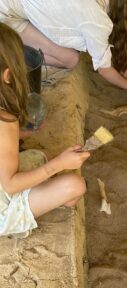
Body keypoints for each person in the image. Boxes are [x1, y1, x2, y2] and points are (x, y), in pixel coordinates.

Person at [0, 23, 89, 238]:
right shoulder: (4, 121)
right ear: (8, 75)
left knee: (37, 157)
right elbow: (10, 185)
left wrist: (19, 136)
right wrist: (58, 164)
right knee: (75, 187)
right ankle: (14, 221)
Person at [0, 0, 127, 97]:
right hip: (6, 14)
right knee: (70, 59)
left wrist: (122, 70)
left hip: (24, 5)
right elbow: (104, 69)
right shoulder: (97, 21)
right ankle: (9, 48)